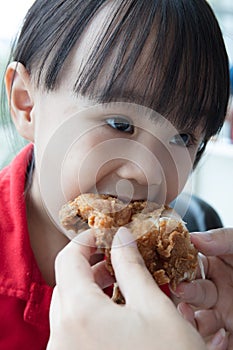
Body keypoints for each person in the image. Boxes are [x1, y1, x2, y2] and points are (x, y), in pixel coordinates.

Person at [0, 0, 229, 349]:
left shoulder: (194, 289)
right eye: (120, 124)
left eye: (182, 138)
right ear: (26, 104)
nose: (147, 172)